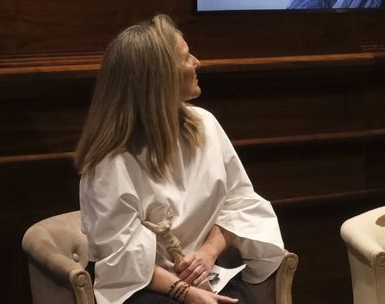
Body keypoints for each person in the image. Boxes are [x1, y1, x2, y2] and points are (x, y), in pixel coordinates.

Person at [76, 15, 286, 304]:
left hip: (203, 272)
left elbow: (240, 202)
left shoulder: (206, 124)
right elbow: (121, 259)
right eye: (187, 58)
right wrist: (186, 293)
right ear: (160, 79)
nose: (197, 63)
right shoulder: (111, 161)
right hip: (142, 285)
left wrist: (207, 254)